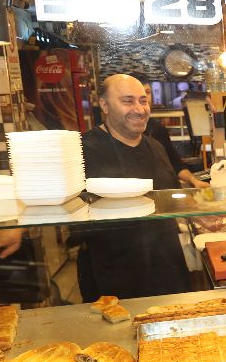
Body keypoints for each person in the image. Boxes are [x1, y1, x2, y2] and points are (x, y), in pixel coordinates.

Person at [77, 74, 191, 302]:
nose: (139, 109)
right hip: (114, 274)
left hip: (168, 268)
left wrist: (198, 213)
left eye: (143, 100)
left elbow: (171, 197)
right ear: (105, 106)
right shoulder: (83, 150)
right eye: (128, 101)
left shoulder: (156, 147)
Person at [132, 75, 209, 189]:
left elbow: (174, 162)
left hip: (164, 192)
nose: (145, 98)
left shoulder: (158, 128)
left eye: (147, 92)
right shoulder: (121, 133)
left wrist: (194, 181)